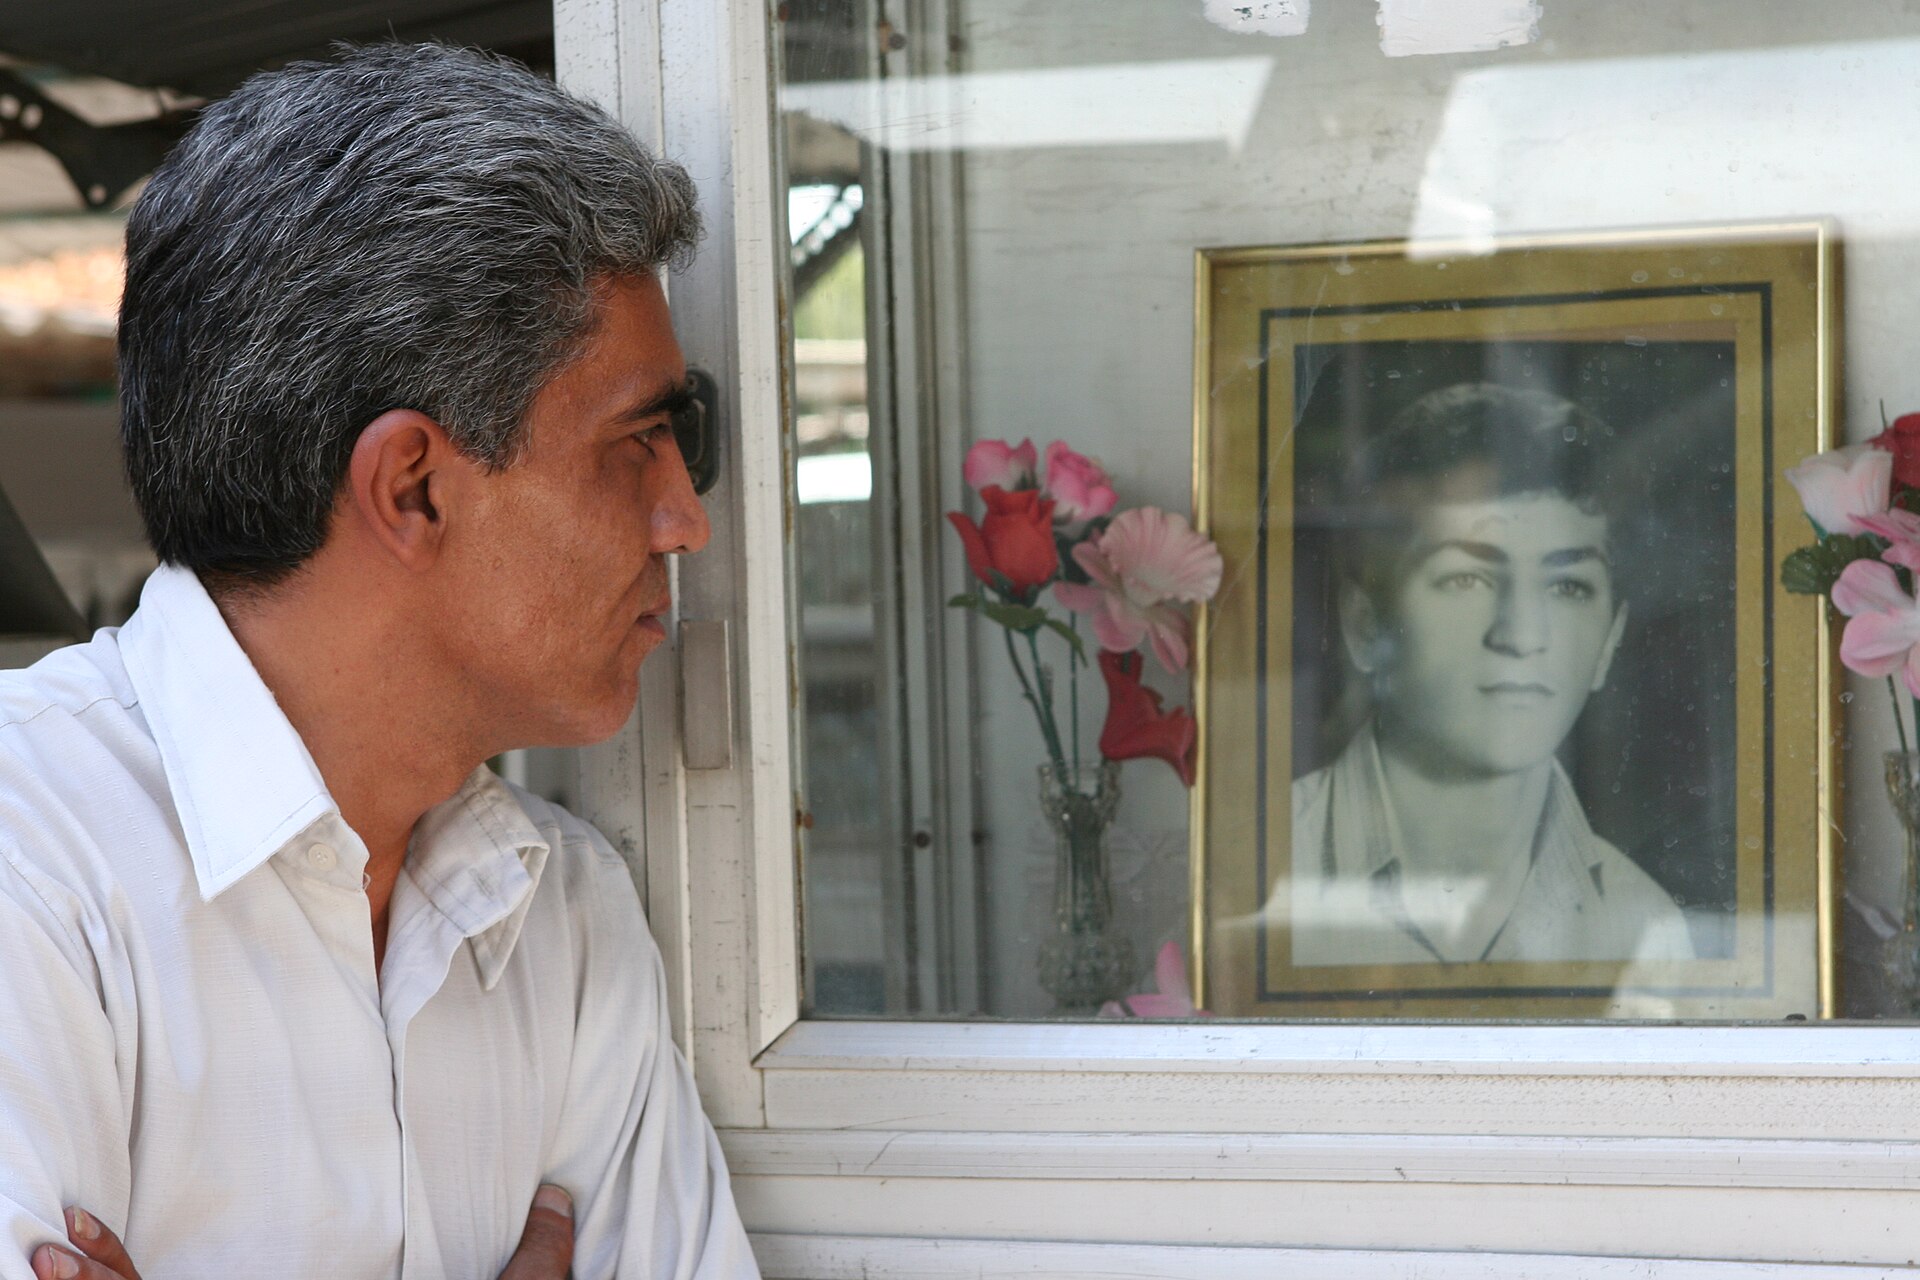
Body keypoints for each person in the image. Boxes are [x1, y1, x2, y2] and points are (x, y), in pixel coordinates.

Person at [0, 44, 759, 1280]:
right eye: (638, 440)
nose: (687, 518)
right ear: (412, 486)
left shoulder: (561, 915)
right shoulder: (29, 858)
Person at [1287, 382, 1695, 968]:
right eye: (1466, 580)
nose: (1522, 635)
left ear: (1608, 642)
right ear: (1364, 624)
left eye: (1567, 586)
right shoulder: (1260, 864)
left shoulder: (1645, 926)